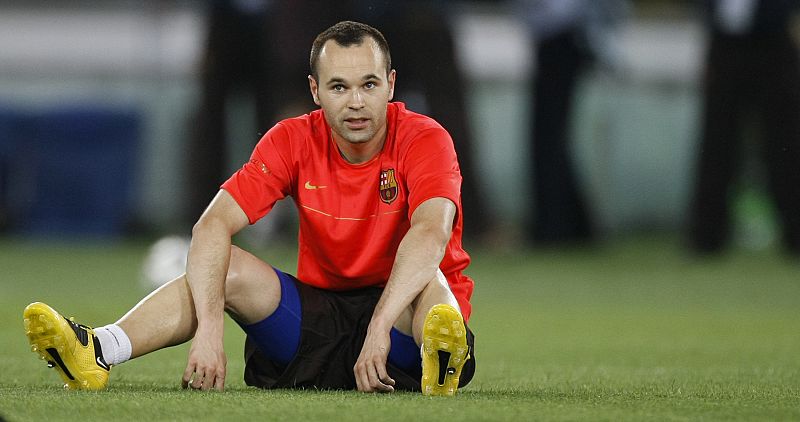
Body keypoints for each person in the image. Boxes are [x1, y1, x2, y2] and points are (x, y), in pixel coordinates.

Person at [22, 21, 476, 396]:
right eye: (340, 86)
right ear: (316, 91)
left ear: (390, 85)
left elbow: (431, 232)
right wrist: (209, 330)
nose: (356, 102)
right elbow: (212, 224)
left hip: (399, 330)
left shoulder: (424, 137)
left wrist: (379, 327)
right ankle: (98, 349)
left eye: (369, 85)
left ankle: (439, 360)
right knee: (228, 267)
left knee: (429, 280)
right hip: (318, 327)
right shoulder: (291, 138)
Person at [688, 0, 800, 255]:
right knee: (716, 145)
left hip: (772, 41)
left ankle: (795, 232)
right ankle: (706, 236)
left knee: (785, 145)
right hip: (725, 43)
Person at [515, 0, 628, 245]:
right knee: (550, 137)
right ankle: (573, 225)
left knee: (548, 138)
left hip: (565, 37)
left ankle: (556, 227)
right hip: (560, 37)